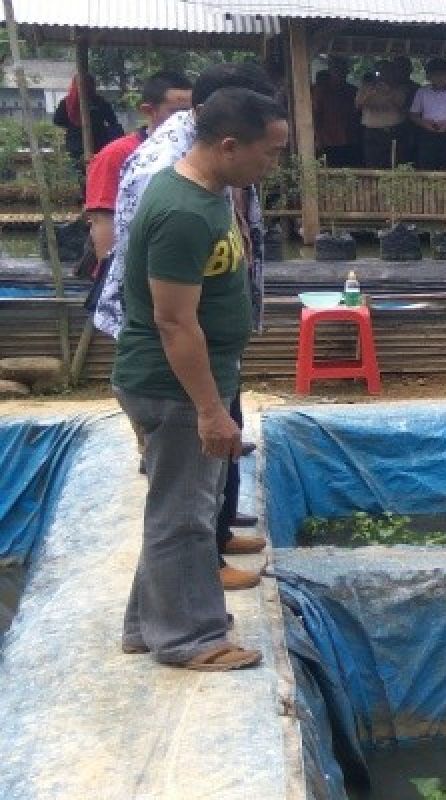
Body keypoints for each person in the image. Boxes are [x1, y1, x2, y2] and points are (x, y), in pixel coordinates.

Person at [112, 87, 288, 670]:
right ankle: (190, 638)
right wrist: (212, 410)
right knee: (185, 515)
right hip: (173, 386)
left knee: (181, 505)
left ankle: (149, 624)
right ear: (230, 146)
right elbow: (173, 321)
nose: (274, 164)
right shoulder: (184, 211)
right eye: (270, 152)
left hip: (191, 381)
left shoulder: (211, 194)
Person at [85, 71, 193, 272]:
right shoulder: (116, 154)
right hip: (133, 268)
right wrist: (112, 275)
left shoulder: (193, 151)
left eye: (190, 112)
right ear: (148, 111)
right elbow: (102, 219)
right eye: (176, 112)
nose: (184, 119)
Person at [53, 74, 124, 171]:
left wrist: (73, 126)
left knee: (85, 174)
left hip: (83, 145)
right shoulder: (69, 103)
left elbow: (58, 121)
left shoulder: (98, 102)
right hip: (88, 146)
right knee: (91, 173)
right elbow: (113, 121)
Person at [356, 62, 409, 168]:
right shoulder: (366, 87)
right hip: (372, 132)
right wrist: (371, 91)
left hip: (394, 130)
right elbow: (358, 105)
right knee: (372, 163)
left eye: (386, 71)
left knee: (395, 162)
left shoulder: (400, 87)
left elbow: (400, 105)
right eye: (379, 71)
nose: (382, 74)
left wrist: (388, 91)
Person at [313, 58, 359, 167]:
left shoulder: (352, 90)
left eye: (343, 71)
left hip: (351, 138)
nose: (340, 73)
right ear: (331, 72)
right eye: (337, 70)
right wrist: (317, 138)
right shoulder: (321, 91)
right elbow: (315, 115)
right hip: (328, 139)